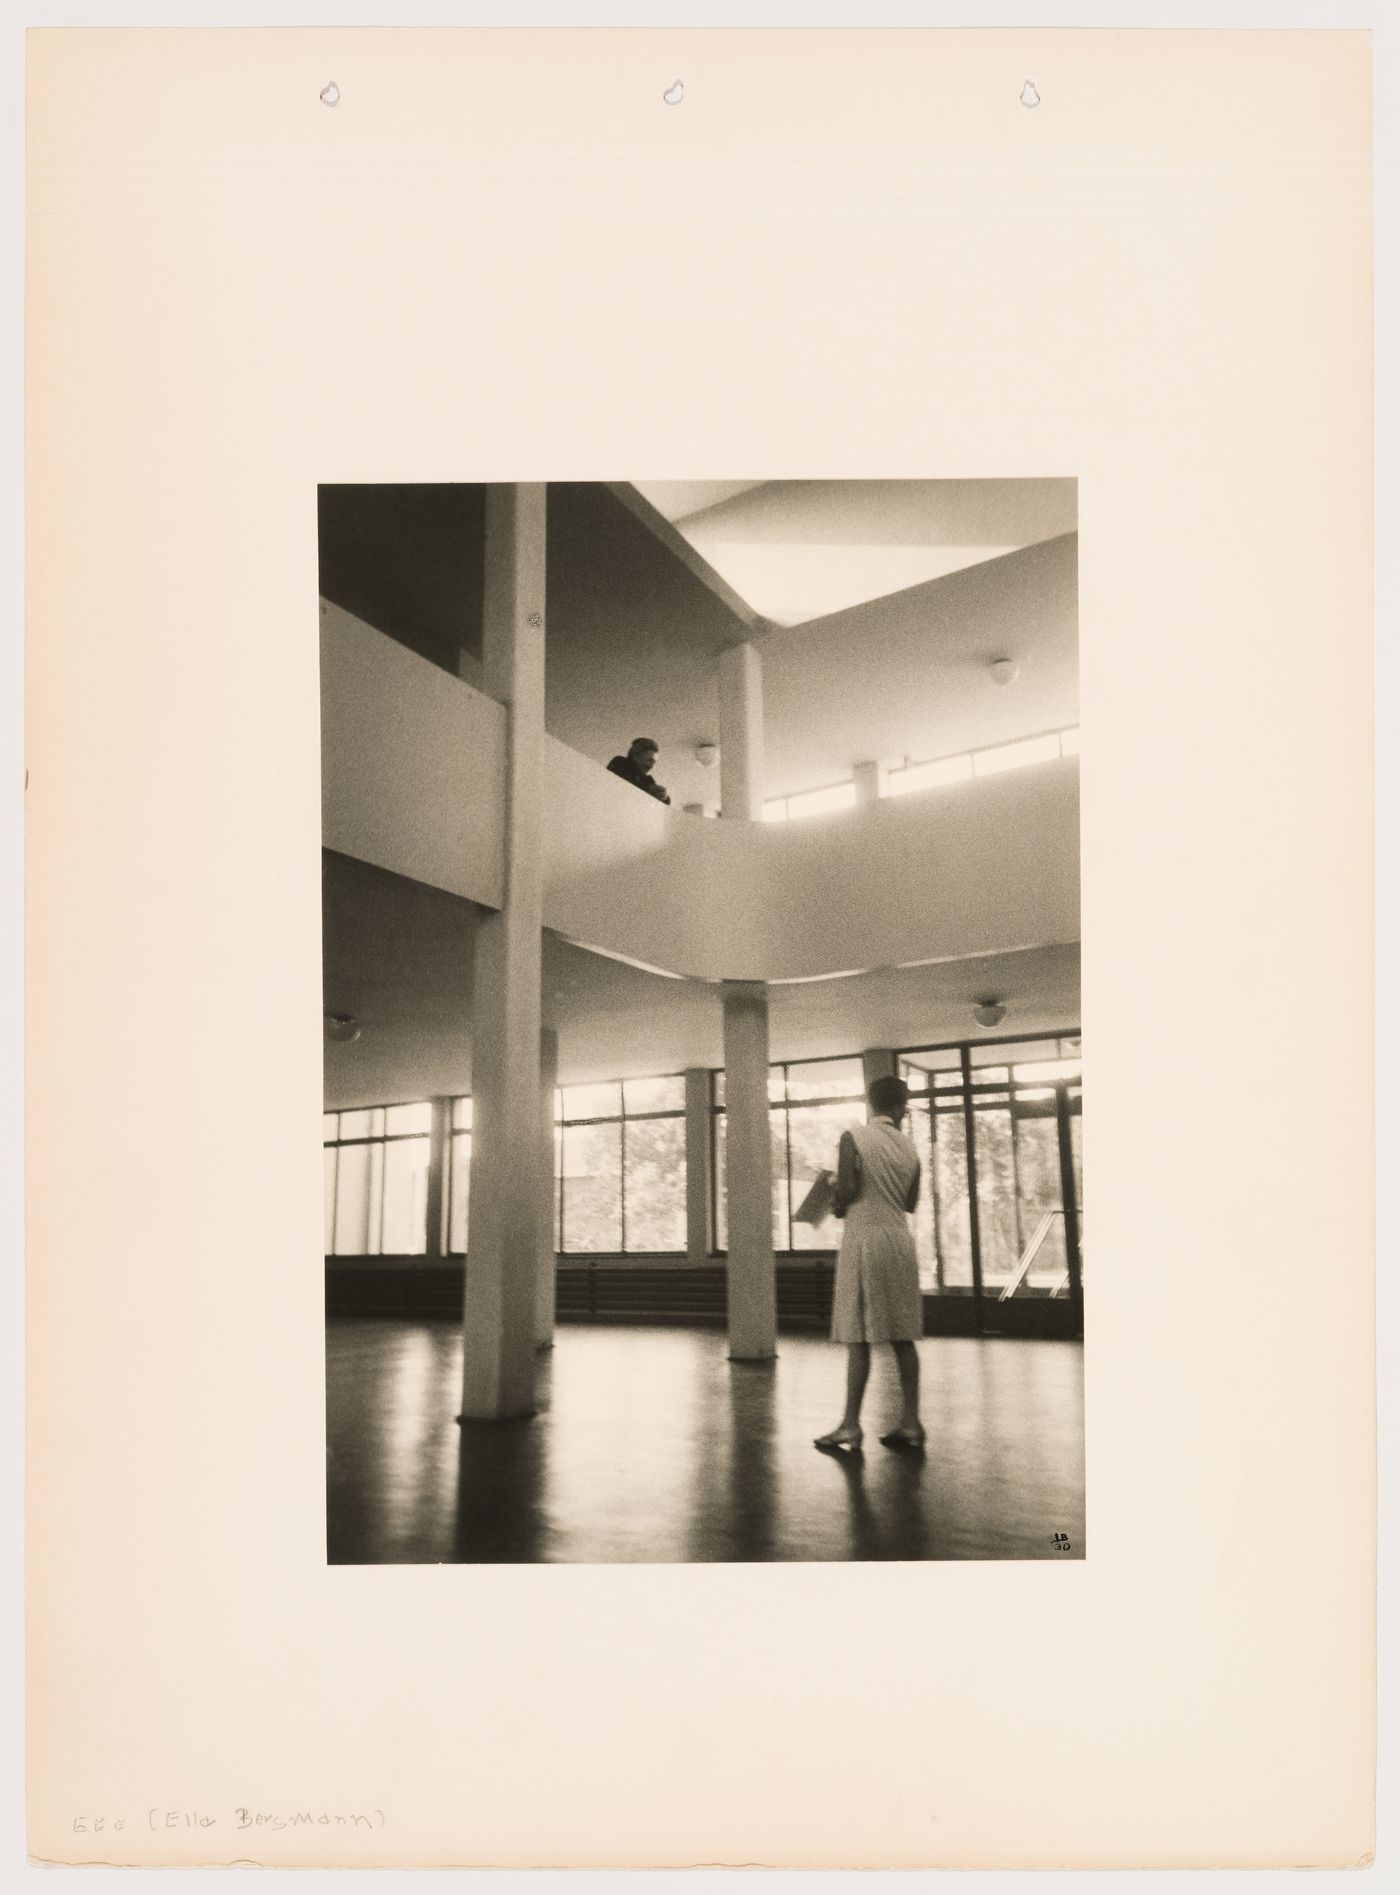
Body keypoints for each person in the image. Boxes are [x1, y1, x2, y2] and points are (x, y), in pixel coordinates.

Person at [814, 1074, 926, 1454]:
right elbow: (909, 1203)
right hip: (899, 1241)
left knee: (858, 1335)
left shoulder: (853, 1137)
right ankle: (910, 1422)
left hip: (864, 1240)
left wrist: (835, 1199)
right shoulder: (911, 1148)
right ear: (900, 1106)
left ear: (871, 1102)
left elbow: (846, 1192)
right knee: (902, 1336)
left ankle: (850, 1425)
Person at [606, 737, 671, 805]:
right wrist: (649, 790)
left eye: (654, 762)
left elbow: (665, 803)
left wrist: (664, 797)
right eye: (649, 760)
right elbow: (624, 784)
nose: (652, 766)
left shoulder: (648, 780)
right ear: (635, 756)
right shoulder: (619, 762)